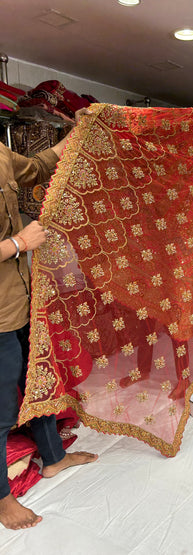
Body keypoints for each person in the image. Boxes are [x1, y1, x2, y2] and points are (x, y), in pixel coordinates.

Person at [0, 109, 98, 530]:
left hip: (20, 303)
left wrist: (78, 133)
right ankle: (3, 502)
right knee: (2, 410)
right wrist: (19, 242)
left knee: (38, 385)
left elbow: (38, 167)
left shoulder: (0, 155)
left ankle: (53, 459)